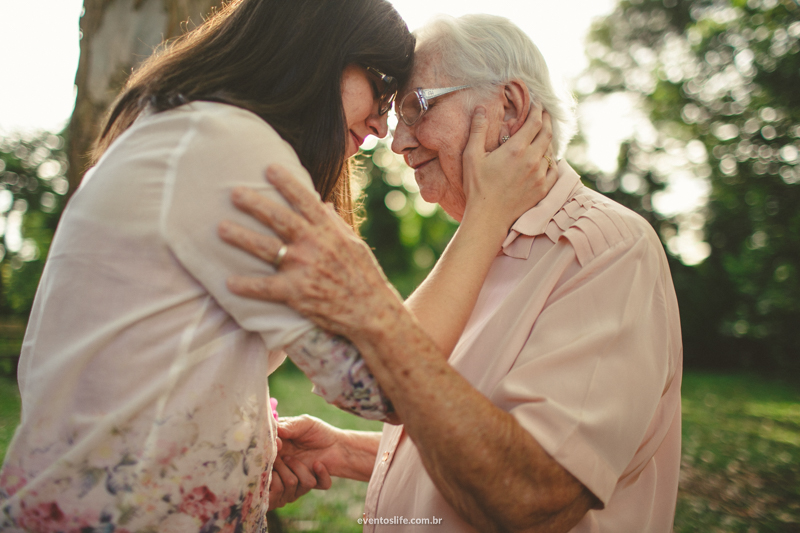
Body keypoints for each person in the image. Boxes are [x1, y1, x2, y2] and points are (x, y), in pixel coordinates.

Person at [0, 2, 560, 531]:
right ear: (317, 48)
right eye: (383, 89)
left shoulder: (190, 133)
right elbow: (384, 382)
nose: (383, 128)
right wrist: (488, 214)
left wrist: (245, 446)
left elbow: (157, 351)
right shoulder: (230, 150)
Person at [221, 13, 683, 533]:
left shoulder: (606, 250)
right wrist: (348, 451)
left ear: (510, 107)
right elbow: (476, 429)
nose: (396, 142)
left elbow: (534, 495)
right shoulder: (485, 243)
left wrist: (373, 309)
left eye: (417, 107)